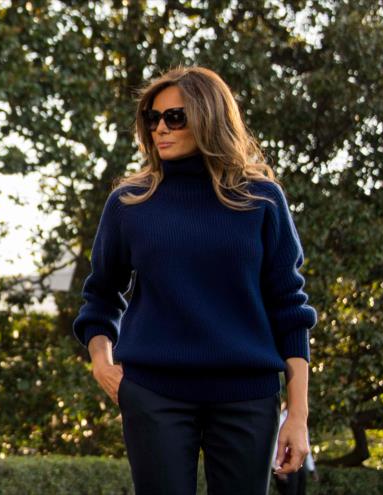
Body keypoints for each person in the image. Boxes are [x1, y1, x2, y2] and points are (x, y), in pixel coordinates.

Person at [73, 66, 316, 495]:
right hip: (153, 393)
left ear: (209, 117)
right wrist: (102, 364)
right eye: (152, 117)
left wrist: (297, 416)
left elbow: (290, 310)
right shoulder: (130, 202)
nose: (160, 128)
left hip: (247, 396)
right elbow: (101, 295)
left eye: (175, 117)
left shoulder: (261, 199)